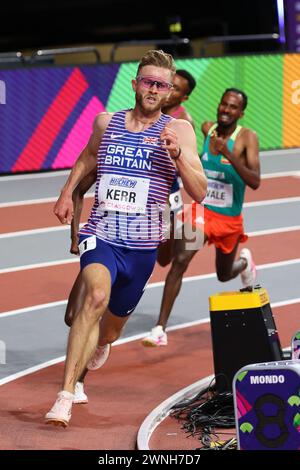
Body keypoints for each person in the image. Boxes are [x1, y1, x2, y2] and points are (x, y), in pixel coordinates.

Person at [45, 50, 207, 427]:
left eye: (161, 85)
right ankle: (66, 395)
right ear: (135, 85)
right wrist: (67, 191)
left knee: (112, 329)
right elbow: (87, 156)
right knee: (95, 297)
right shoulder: (107, 122)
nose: (153, 89)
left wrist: (179, 155)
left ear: (169, 92)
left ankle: (101, 343)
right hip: (101, 233)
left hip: (142, 248)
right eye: (148, 81)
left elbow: (198, 191)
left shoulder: (179, 131)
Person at [142, 88, 260, 348]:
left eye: (232, 107)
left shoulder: (247, 139)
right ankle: (160, 328)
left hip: (229, 219)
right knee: (180, 260)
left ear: (241, 112)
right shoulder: (208, 130)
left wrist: (228, 154)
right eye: (223, 104)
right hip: (202, 211)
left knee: (224, 274)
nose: (225, 110)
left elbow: (255, 181)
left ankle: (244, 263)